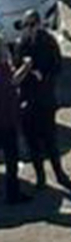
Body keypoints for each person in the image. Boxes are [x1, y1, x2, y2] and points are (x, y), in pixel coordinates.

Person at [16, 10, 71, 193]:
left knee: (50, 140)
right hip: (27, 100)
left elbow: (57, 67)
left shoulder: (48, 42)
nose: (27, 29)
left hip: (45, 99)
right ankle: (41, 177)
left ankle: (59, 174)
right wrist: (26, 72)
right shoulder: (22, 44)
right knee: (33, 142)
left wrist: (43, 76)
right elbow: (16, 68)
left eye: (30, 25)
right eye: (25, 26)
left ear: (37, 24)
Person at [0, 44, 23, 204]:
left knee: (11, 158)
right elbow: (12, 82)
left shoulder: (5, 67)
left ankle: (13, 192)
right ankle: (13, 193)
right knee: (11, 159)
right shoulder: (3, 68)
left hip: (7, 118)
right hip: (5, 120)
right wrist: (27, 67)